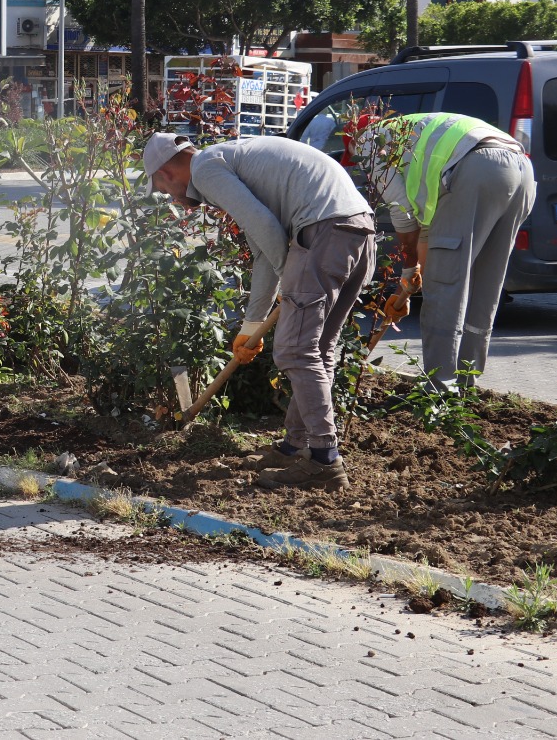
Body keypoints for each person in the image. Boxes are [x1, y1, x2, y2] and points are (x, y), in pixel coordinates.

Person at [144, 131, 376, 491]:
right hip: (357, 231)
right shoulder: (233, 160)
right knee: (317, 351)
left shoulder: (206, 167)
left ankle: (324, 461)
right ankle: (293, 447)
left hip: (324, 231)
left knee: (295, 351)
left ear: (166, 172)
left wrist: (293, 283)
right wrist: (250, 326)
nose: (168, 196)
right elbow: (264, 250)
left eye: (161, 188)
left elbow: (269, 233)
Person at [352, 112, 535, 391]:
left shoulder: (369, 141)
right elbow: (427, 227)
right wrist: (414, 275)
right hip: (520, 169)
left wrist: (408, 269)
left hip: (477, 168)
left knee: (445, 285)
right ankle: (466, 382)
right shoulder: (418, 130)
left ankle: (439, 389)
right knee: (485, 283)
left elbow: (401, 211)